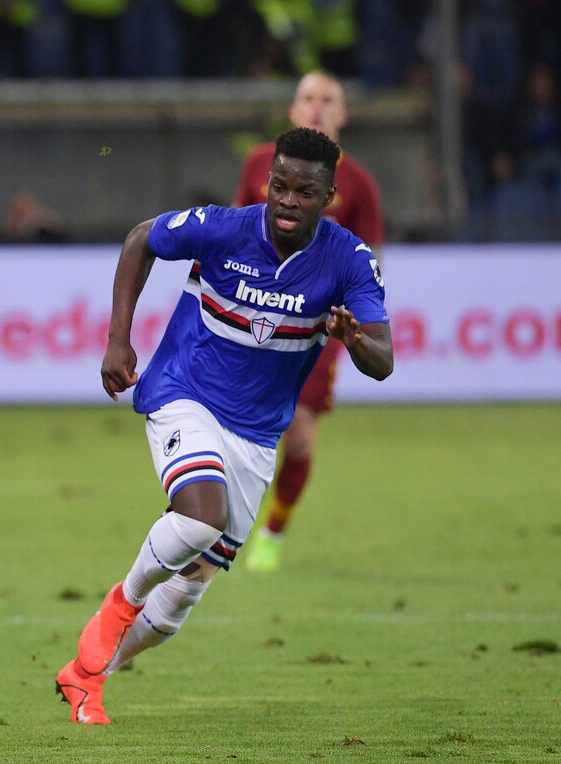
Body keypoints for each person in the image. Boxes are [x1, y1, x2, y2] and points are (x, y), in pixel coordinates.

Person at [55, 126, 392, 724]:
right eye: (279, 186)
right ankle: (118, 607)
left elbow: (383, 360)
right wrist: (117, 340)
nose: (288, 200)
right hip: (184, 392)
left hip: (256, 436)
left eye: (304, 192)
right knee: (200, 516)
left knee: (181, 599)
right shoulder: (223, 228)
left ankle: (86, 675)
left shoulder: (349, 259)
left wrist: (354, 337)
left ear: (329, 196)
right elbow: (140, 240)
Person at [234, 70, 384, 572]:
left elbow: (370, 262)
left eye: (327, 99)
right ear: (294, 110)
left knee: (297, 434)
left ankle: (273, 531)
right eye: (308, 97)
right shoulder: (257, 164)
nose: (317, 106)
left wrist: (354, 315)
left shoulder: (358, 184)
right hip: (252, 315)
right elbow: (233, 233)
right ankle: (218, 517)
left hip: (315, 328)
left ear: (342, 113)